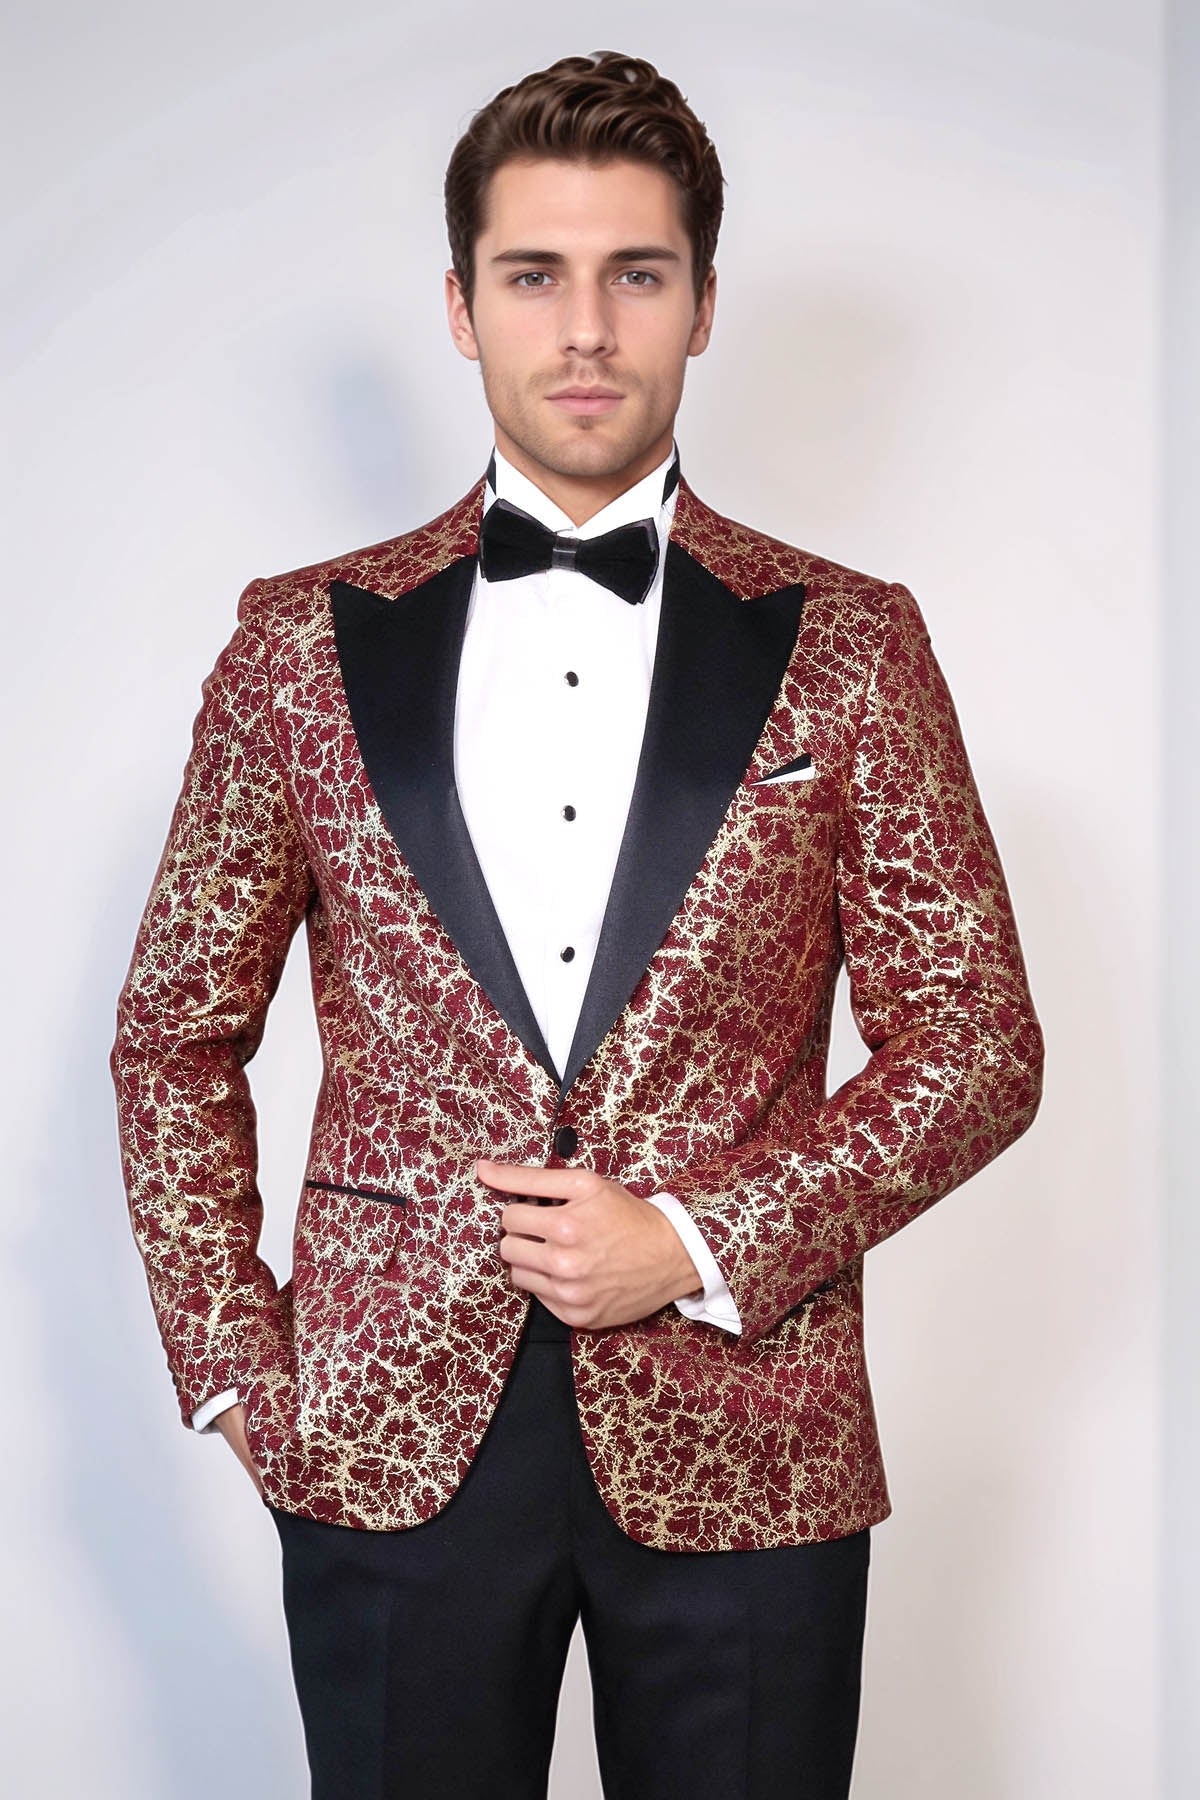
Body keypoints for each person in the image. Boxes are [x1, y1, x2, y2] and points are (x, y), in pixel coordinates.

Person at [110, 48, 1044, 1800]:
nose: (589, 329)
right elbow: (173, 1033)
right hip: (384, 1427)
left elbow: (980, 1042)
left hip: (750, 1433)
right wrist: (240, 1374)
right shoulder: (296, 644)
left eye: (639, 274)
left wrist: (693, 1240)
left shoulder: (853, 641)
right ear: (460, 308)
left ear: (705, 304)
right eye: (535, 275)